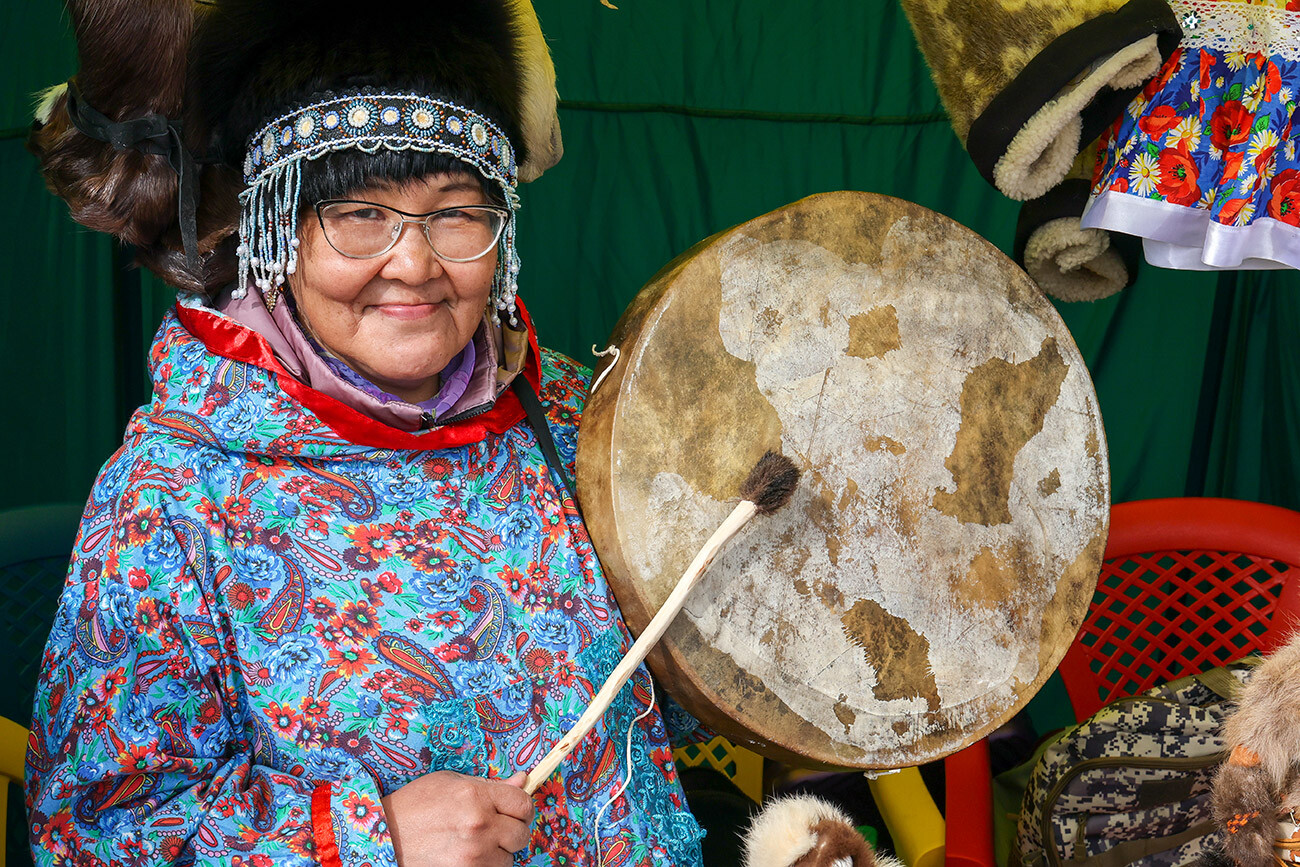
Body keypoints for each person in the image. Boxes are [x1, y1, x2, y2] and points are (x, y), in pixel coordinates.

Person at [24, 1, 706, 864]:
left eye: (457, 213)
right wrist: (360, 837)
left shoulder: (578, 422)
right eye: (358, 215)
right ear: (278, 228)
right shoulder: (170, 498)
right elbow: (91, 833)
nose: (414, 264)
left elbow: (679, 681)